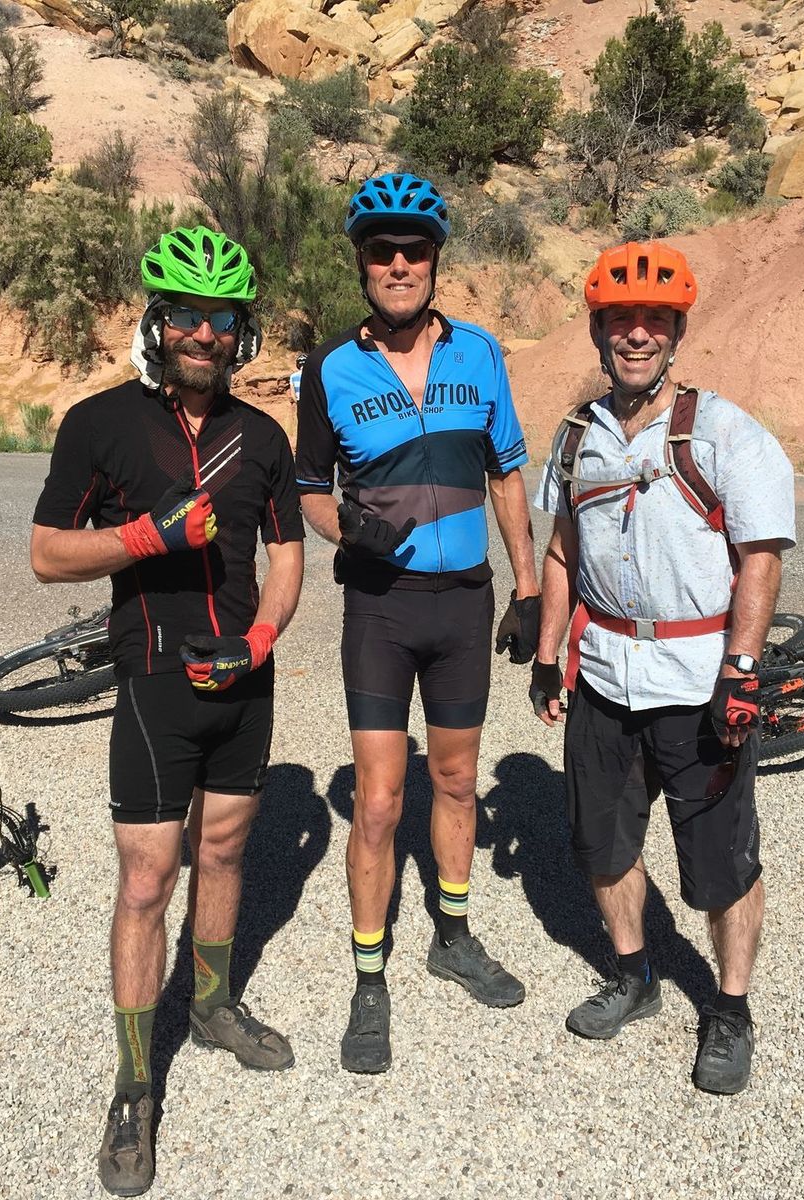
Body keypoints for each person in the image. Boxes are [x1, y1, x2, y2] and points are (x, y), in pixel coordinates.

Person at [30, 226, 305, 1196]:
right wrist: (147, 536)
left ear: (241, 333)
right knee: (148, 882)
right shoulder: (100, 423)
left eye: (220, 318)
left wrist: (263, 636)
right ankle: (135, 1084)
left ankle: (215, 1007)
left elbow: (286, 552)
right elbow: (47, 553)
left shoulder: (263, 437)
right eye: (185, 314)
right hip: (153, 684)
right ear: (157, 322)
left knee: (224, 852)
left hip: (244, 681)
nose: (203, 333)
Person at [529, 241, 795, 1096]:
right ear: (599, 332)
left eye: (654, 321)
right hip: (605, 675)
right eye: (620, 321)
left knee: (721, 866)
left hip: (696, 677)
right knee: (603, 846)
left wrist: (742, 668)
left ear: (677, 333)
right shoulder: (576, 437)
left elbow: (760, 556)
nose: (636, 335)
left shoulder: (724, 431)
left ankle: (731, 1007)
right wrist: (547, 656)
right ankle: (635, 974)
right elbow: (562, 554)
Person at [293, 172, 542, 1074]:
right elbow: (308, 489)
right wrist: (345, 529)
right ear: (361, 263)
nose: (398, 265)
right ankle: (370, 977)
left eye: (414, 250)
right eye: (382, 251)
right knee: (378, 799)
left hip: (464, 601)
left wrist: (528, 588)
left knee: (458, 779)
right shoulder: (329, 368)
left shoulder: (480, 354)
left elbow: (506, 473)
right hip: (381, 607)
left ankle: (454, 936)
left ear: (435, 261)